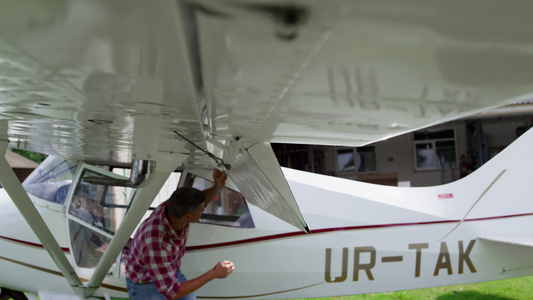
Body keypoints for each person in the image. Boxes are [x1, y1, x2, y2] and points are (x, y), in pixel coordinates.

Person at [125, 169, 235, 300]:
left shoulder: (174, 206)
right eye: (201, 210)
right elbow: (172, 292)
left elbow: (202, 199)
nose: (204, 209)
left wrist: (217, 186)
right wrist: (213, 273)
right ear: (187, 216)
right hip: (146, 283)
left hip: (170, 271)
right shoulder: (157, 243)